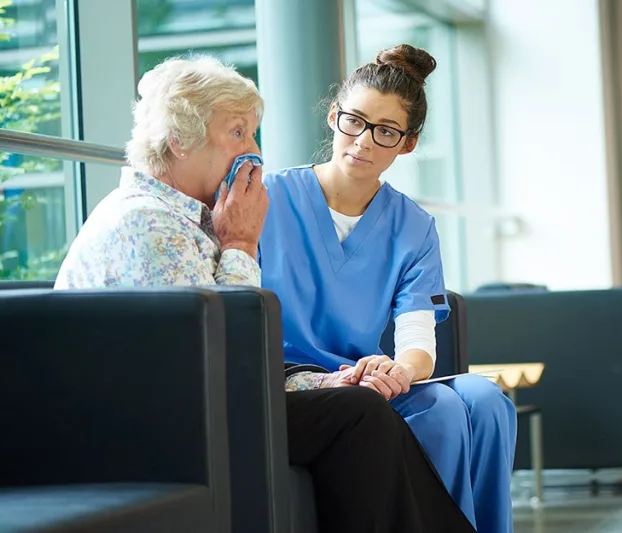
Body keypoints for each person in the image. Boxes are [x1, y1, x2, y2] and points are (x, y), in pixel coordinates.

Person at [53, 55, 475, 533]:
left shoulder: (191, 218)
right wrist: (239, 245)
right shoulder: (148, 223)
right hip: (155, 419)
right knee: (359, 415)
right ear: (179, 140)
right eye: (238, 134)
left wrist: (329, 382)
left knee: (361, 410)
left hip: (193, 403)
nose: (251, 150)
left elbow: (231, 361)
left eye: (252, 134)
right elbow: (225, 354)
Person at [257, 44, 517, 533]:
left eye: (386, 131)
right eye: (354, 121)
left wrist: (397, 369)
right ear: (334, 117)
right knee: (440, 412)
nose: (363, 142)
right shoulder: (268, 199)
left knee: (486, 401)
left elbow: (418, 341)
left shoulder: (413, 226)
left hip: (371, 379)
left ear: (408, 143)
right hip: (299, 384)